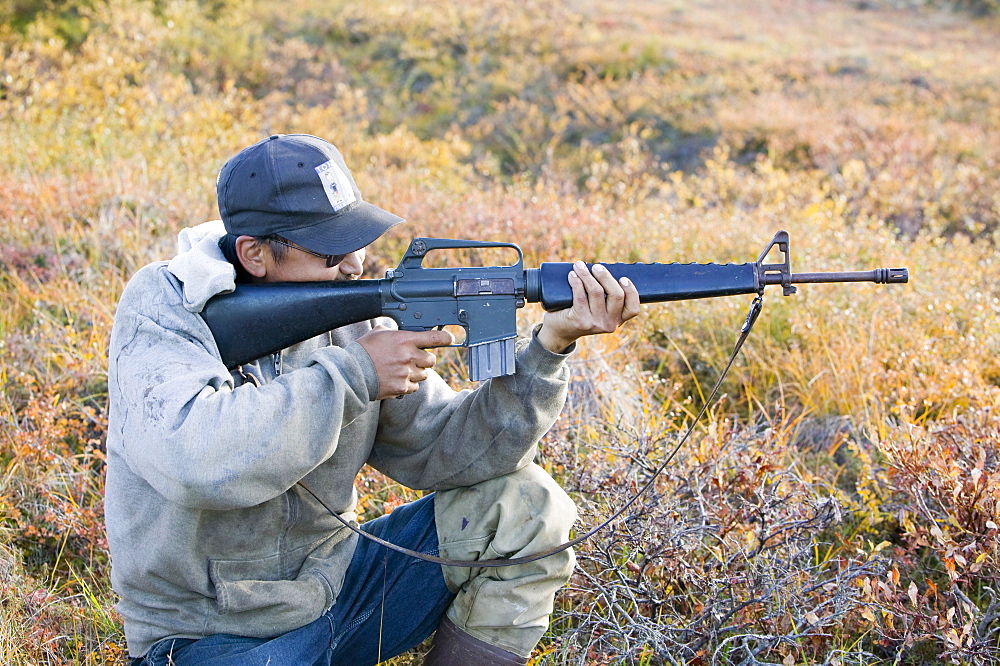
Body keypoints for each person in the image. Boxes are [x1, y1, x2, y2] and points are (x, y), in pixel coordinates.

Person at [105, 133, 641, 665]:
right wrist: (358, 372)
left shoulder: (349, 310)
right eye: (332, 248)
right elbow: (195, 458)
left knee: (522, 507)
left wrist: (549, 347)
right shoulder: (168, 308)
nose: (357, 263)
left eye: (357, 238)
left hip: (337, 588)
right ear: (255, 254)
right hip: (206, 633)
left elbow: (447, 450)